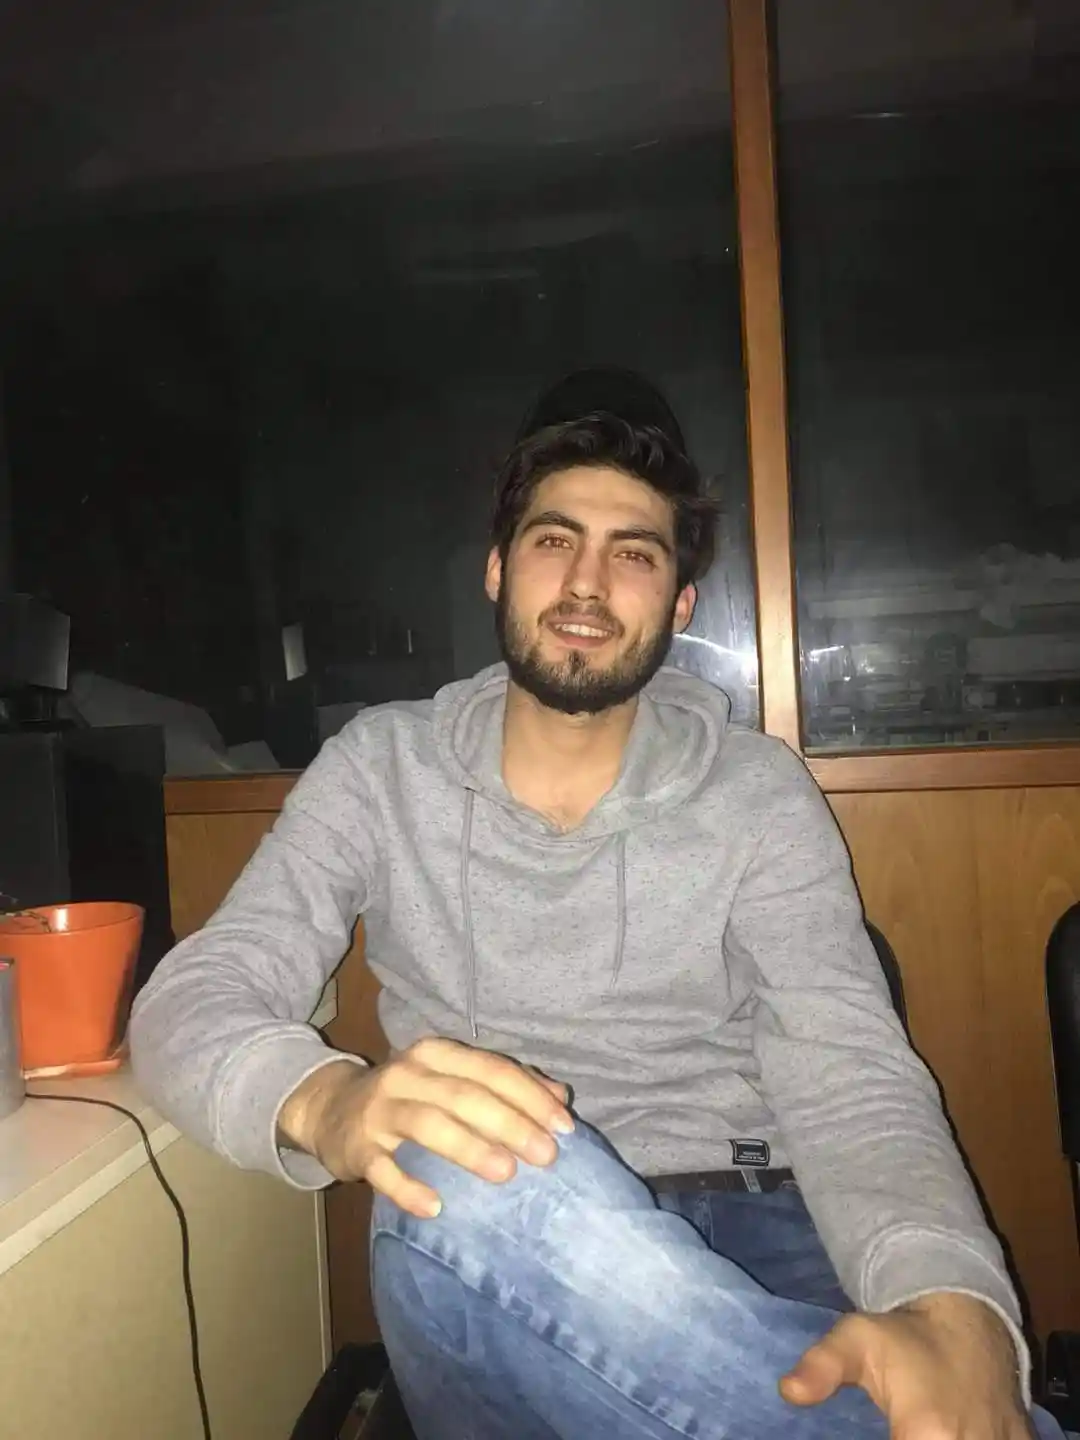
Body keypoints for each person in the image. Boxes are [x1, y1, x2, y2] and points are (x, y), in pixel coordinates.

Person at [130, 386, 1065, 1440]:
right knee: (449, 1147)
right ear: (497, 569)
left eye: (633, 553)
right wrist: (326, 1102)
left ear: (680, 605)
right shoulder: (381, 769)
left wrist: (954, 1311)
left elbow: (851, 1071)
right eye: (554, 540)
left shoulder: (757, 791)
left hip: (758, 1225)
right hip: (485, 1224)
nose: (586, 581)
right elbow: (197, 994)